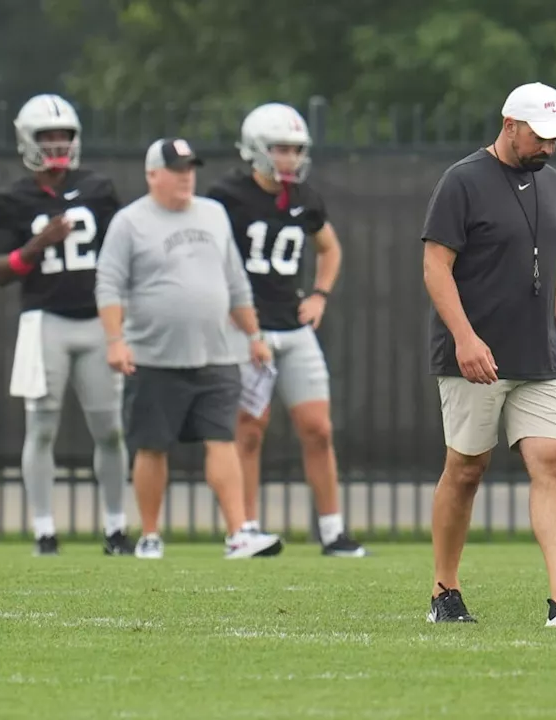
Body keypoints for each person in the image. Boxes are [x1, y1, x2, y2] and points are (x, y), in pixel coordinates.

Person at [421, 82, 556, 627]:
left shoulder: (552, 181)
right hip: (474, 356)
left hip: (540, 355)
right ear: (509, 124)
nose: (547, 147)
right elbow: (435, 268)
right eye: (539, 136)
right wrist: (466, 339)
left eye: (555, 138)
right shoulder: (462, 180)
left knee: (553, 461)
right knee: (467, 468)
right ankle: (443, 591)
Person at [95, 137, 284, 560]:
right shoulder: (130, 222)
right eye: (176, 169)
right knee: (152, 445)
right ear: (152, 174)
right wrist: (115, 341)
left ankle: (238, 533)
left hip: (218, 352)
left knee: (221, 439)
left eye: (190, 169)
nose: (186, 177)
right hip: (154, 355)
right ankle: (149, 535)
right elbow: (108, 283)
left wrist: (253, 337)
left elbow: (235, 282)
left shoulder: (213, 214)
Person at [206, 103, 364, 557]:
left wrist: (320, 295)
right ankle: (247, 527)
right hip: (244, 329)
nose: (290, 158)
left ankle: (332, 531)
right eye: (281, 149)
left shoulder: (305, 197)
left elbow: (329, 249)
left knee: (317, 428)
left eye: (296, 149)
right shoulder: (226, 197)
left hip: (292, 329)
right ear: (255, 149)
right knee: (249, 429)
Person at [0, 94, 133, 557]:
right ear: (27, 141)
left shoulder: (99, 188)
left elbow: (120, 253)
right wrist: (37, 244)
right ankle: (44, 531)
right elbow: (0, 271)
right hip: (44, 321)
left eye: (64, 136)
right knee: (42, 429)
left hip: (95, 322)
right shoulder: (13, 198)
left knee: (109, 429)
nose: (57, 145)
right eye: (47, 137)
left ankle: (115, 528)